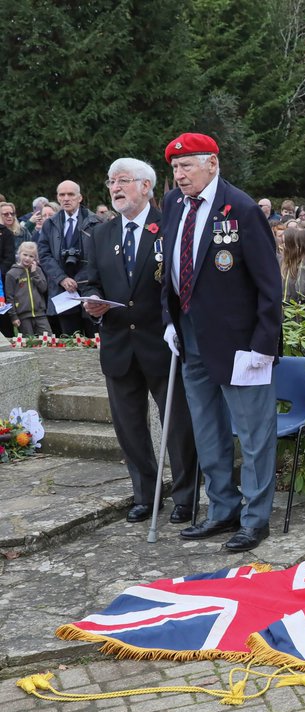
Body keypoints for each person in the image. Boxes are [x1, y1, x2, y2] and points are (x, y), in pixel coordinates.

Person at [160, 132, 283, 553]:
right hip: (190, 335)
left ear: (212, 163)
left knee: (253, 434)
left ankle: (255, 518)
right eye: (175, 167)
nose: (179, 175)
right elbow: (170, 267)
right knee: (207, 429)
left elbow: (269, 285)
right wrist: (169, 320)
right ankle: (221, 509)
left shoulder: (242, 209)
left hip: (240, 343)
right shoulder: (174, 204)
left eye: (186, 166)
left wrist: (263, 344)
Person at [77, 157, 199, 524]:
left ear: (146, 186)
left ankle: (185, 497)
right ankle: (146, 494)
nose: (115, 188)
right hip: (118, 342)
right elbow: (91, 279)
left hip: (162, 343)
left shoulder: (170, 226)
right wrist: (93, 302)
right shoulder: (101, 233)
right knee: (129, 427)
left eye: (123, 181)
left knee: (177, 425)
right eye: (111, 181)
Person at [38, 180, 100, 336]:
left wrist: (79, 279)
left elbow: (101, 256)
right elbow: (44, 255)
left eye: (71, 194)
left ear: (80, 197)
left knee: (95, 340)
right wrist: (62, 278)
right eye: (62, 195)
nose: (66, 198)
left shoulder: (95, 222)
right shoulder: (50, 224)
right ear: (58, 198)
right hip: (62, 292)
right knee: (70, 341)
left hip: (89, 289)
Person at [5, 242, 51, 334]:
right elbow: (10, 297)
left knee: (48, 338)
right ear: (19, 254)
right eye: (25, 254)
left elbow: (43, 288)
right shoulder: (11, 273)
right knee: (28, 341)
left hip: (40, 314)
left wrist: (34, 273)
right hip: (23, 316)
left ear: (35, 258)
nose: (27, 258)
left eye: (31, 256)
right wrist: (14, 317)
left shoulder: (38, 270)